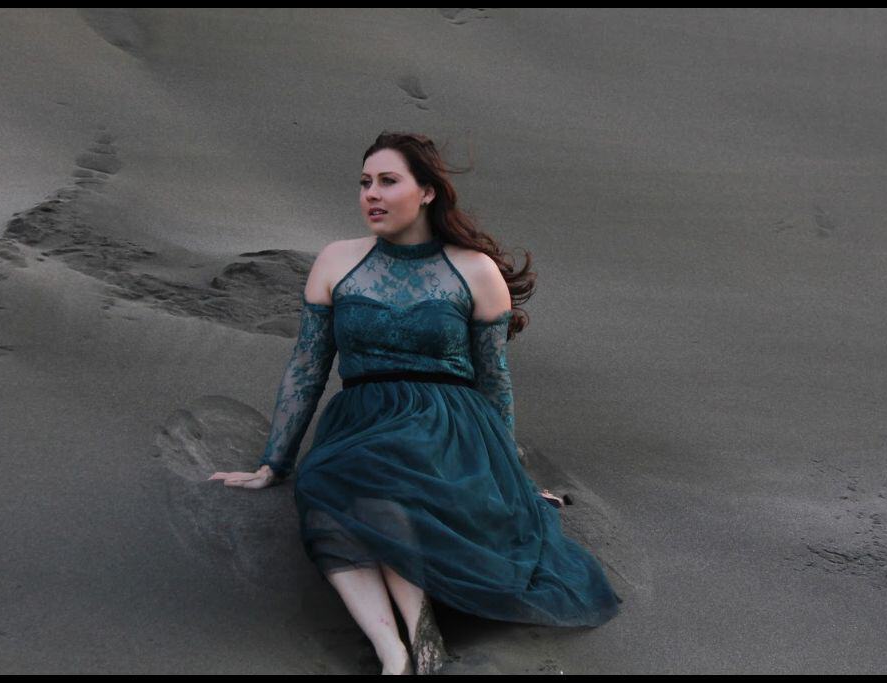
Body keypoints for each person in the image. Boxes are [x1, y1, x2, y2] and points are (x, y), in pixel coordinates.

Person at [210, 132, 621, 675]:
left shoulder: (475, 270)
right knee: (323, 482)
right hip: (362, 416)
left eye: (387, 181)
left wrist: (509, 472)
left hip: (448, 423)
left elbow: (494, 380)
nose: (371, 195)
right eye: (364, 183)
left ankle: (422, 642)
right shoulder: (337, 262)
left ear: (426, 192)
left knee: (392, 478)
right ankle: (394, 654)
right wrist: (273, 463)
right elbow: (308, 367)